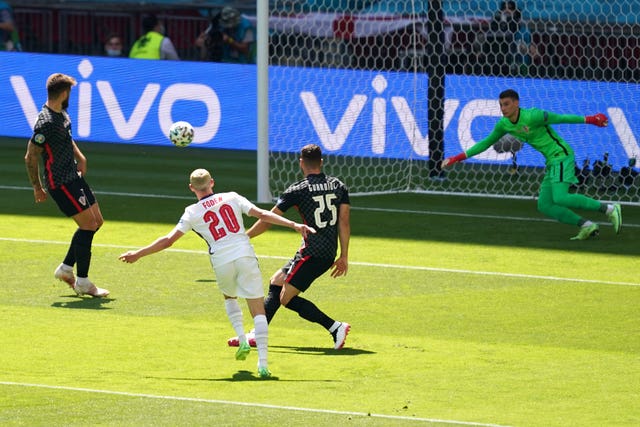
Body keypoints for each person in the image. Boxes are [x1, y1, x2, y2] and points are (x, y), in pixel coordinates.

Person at [118, 168, 315, 379]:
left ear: (191, 188)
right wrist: (293, 224)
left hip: (221, 260)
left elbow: (168, 240)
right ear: (212, 182)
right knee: (258, 309)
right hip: (245, 254)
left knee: (229, 296)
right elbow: (262, 214)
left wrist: (139, 253)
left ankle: (241, 339)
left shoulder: (191, 212)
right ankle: (263, 364)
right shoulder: (232, 197)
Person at [441, 89, 622, 241]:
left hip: (562, 156)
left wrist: (591, 119)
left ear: (516, 103)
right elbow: (485, 143)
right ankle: (587, 225)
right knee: (545, 205)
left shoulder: (533, 115)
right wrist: (456, 158)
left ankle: (610, 209)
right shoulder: (504, 125)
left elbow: (560, 118)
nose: (503, 108)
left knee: (560, 198)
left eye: (506, 104)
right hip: (551, 162)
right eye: (501, 105)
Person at [228, 144, 351, 350]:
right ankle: (258, 334)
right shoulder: (338, 186)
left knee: (286, 298)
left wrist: (245, 237)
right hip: (326, 250)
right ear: (321, 162)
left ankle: (335, 327)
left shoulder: (298, 190)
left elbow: (268, 220)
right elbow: (344, 221)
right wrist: (344, 255)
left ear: (301, 163)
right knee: (276, 282)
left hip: (313, 253)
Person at [24, 73, 109, 297]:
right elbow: (30, 156)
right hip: (60, 182)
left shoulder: (60, 113)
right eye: (69, 91)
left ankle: (65, 269)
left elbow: (67, 137)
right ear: (63, 93)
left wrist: (80, 157)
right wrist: (37, 187)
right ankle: (82, 281)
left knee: (96, 222)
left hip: (74, 175)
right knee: (88, 225)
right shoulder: (45, 123)